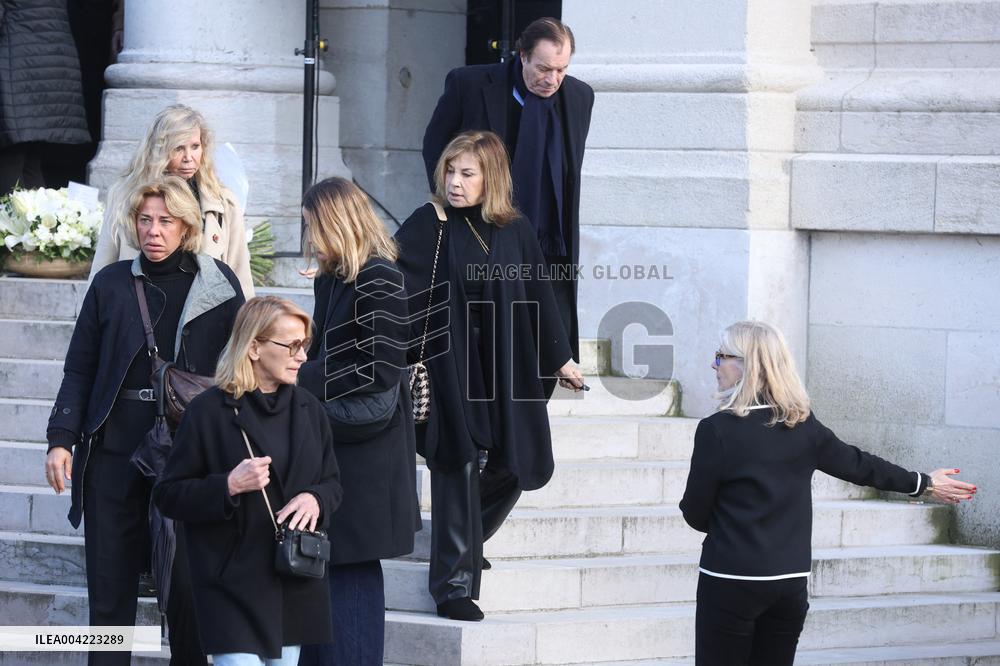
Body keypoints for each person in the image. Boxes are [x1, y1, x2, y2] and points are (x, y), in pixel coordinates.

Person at [679, 320, 977, 666]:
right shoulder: (803, 425)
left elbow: (694, 513)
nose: (713, 364)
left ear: (749, 364)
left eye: (720, 356)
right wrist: (922, 483)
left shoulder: (716, 430)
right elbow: (860, 465)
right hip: (789, 586)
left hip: (731, 582)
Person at [43, 175, 246, 666]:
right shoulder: (111, 284)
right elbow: (80, 368)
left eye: (166, 221)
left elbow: (241, 369)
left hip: (186, 457)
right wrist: (61, 438)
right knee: (109, 597)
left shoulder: (219, 285)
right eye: (145, 219)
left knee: (187, 597)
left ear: (187, 226)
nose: (153, 230)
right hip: (114, 456)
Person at [395, 130, 585, 621]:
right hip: (448, 362)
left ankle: (466, 536)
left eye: (467, 174)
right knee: (456, 462)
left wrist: (560, 357)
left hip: (507, 364)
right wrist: (337, 266)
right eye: (450, 172)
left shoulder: (513, 228)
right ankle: (453, 586)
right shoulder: (428, 223)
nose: (454, 183)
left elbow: (540, 293)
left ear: (491, 178)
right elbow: (386, 270)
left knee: (517, 463)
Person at [153, 296, 342, 666]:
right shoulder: (207, 412)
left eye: (304, 345)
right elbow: (168, 495)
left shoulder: (311, 411)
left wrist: (316, 499)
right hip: (230, 583)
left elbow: (333, 483)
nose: (302, 356)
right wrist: (228, 485)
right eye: (291, 345)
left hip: (292, 578)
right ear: (254, 347)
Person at [294, 177, 420, 665]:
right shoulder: (334, 277)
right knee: (332, 573)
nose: (309, 238)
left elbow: (381, 366)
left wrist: (304, 377)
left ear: (335, 223)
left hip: (370, 457)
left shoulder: (379, 277)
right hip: (342, 448)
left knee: (352, 573)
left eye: (312, 226)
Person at [422, 17, 594, 367]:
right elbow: (434, 149)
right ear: (522, 55)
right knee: (492, 352)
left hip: (551, 245)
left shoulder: (579, 97)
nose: (552, 80)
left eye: (561, 69)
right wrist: (457, 207)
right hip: (487, 237)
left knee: (551, 350)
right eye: (544, 68)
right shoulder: (468, 84)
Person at [89, 104, 255, 297]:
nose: (188, 157)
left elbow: (240, 274)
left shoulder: (223, 202)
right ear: (160, 151)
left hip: (204, 313)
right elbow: (102, 265)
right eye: (178, 148)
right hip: (140, 306)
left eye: (195, 146)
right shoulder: (125, 196)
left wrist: (248, 325)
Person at [0, 0, 91, 193]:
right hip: (45, 66)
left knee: (11, 160)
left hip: (15, 64)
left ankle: (14, 222)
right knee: (30, 161)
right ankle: (37, 222)